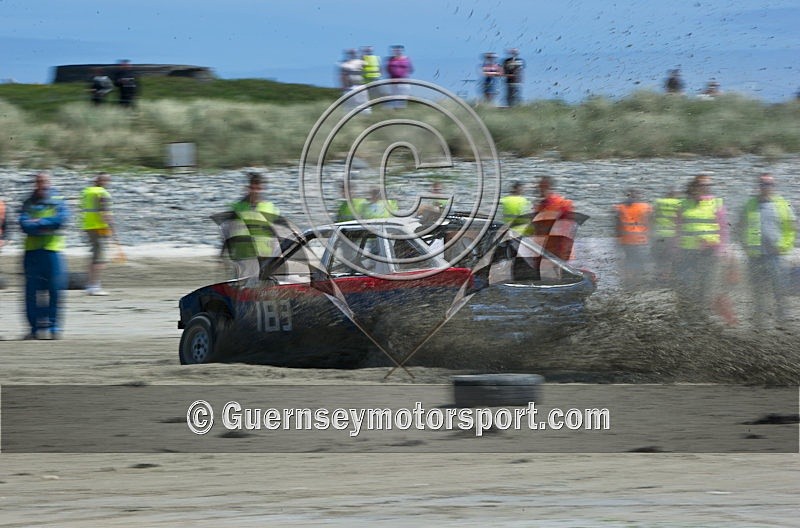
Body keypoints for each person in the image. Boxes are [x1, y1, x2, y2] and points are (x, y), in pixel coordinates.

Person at [738, 173, 797, 327]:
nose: (766, 187)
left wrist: (784, 246)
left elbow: (791, 228)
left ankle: (784, 322)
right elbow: (740, 227)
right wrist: (744, 246)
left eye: (769, 184)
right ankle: (759, 322)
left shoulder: (782, 204)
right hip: (755, 256)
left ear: (773, 186)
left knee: (780, 289)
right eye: (763, 184)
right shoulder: (750, 204)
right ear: (759, 186)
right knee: (758, 290)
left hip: (775, 256)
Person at [18, 172, 70, 340]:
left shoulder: (58, 200)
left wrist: (38, 224)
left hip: (52, 250)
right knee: (31, 292)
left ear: (50, 182)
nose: (42, 184)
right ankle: (34, 329)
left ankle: (54, 328)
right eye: (39, 181)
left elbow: (60, 221)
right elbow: (24, 225)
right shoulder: (28, 202)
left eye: (45, 181)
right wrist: (46, 225)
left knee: (55, 290)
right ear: (36, 183)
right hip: (32, 252)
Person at [676, 174, 728, 319]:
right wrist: (676, 251)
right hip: (687, 253)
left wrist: (722, 250)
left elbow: (723, 229)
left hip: (709, 253)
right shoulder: (683, 204)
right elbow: (678, 230)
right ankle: (684, 318)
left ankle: (702, 320)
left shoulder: (716, 203)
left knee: (706, 288)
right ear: (693, 186)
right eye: (702, 185)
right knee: (686, 287)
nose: (706, 188)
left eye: (708, 185)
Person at [226, 172, 281, 278]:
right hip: (243, 257)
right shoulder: (238, 207)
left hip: (265, 257)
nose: (255, 191)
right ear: (248, 188)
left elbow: (278, 232)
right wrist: (224, 255)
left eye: (258, 188)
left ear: (262, 188)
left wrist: (278, 254)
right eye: (252, 188)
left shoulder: (270, 207)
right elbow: (227, 231)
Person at [80, 173, 113, 295]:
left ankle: (91, 284)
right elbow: (104, 211)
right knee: (100, 258)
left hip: (88, 226)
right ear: (103, 181)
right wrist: (111, 226)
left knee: (94, 256)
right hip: (100, 228)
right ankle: (94, 286)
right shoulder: (102, 193)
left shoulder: (87, 192)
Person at [614, 189, 653, 289]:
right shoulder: (646, 207)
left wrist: (617, 238)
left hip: (627, 239)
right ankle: (638, 280)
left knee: (630, 259)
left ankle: (630, 280)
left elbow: (617, 224)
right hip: (640, 239)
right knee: (639, 260)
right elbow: (651, 222)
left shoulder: (621, 207)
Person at [652, 188, 683, 284]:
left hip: (659, 234)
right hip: (672, 234)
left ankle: (659, 276)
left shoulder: (658, 202)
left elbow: (653, 216)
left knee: (660, 257)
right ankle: (667, 277)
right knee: (670, 257)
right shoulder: (679, 203)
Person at [339, 49, 370, 113]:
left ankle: (365, 117)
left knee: (363, 104)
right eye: (350, 53)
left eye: (353, 53)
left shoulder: (360, 62)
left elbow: (367, 65)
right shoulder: (344, 64)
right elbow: (342, 76)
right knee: (349, 105)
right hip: (349, 86)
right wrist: (343, 85)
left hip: (360, 85)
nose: (352, 54)